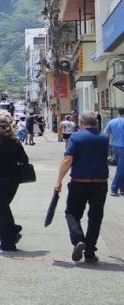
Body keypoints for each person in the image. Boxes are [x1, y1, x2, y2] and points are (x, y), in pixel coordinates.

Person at [54, 111, 108, 263]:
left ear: (81, 122)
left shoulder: (76, 137)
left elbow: (67, 159)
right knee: (95, 217)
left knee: (71, 213)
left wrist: (59, 180)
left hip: (79, 182)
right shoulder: (104, 138)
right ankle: (90, 253)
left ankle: (78, 239)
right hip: (100, 183)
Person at [0, 118, 28, 252]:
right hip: (13, 180)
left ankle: (8, 243)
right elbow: (24, 159)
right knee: (4, 208)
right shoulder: (15, 142)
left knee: (1, 212)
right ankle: (12, 231)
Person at [104, 106, 124, 197]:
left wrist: (112, 138)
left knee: (121, 167)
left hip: (115, 146)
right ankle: (114, 187)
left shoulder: (112, 122)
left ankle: (122, 188)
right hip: (123, 146)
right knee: (121, 167)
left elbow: (105, 132)